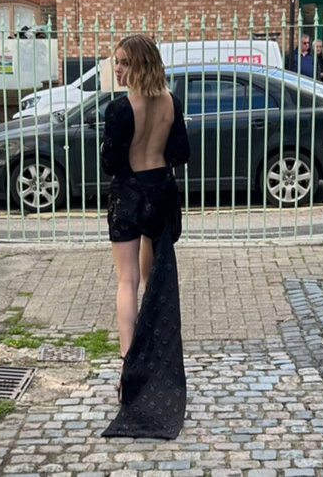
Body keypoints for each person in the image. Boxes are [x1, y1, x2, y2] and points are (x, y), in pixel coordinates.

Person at [100, 34, 190, 439]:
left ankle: (129, 371)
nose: (117, 69)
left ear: (141, 64)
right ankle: (155, 364)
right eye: (116, 62)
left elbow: (110, 163)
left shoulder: (120, 108)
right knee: (153, 284)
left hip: (129, 194)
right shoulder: (171, 101)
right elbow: (182, 153)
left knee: (127, 281)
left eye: (124, 62)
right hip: (160, 191)